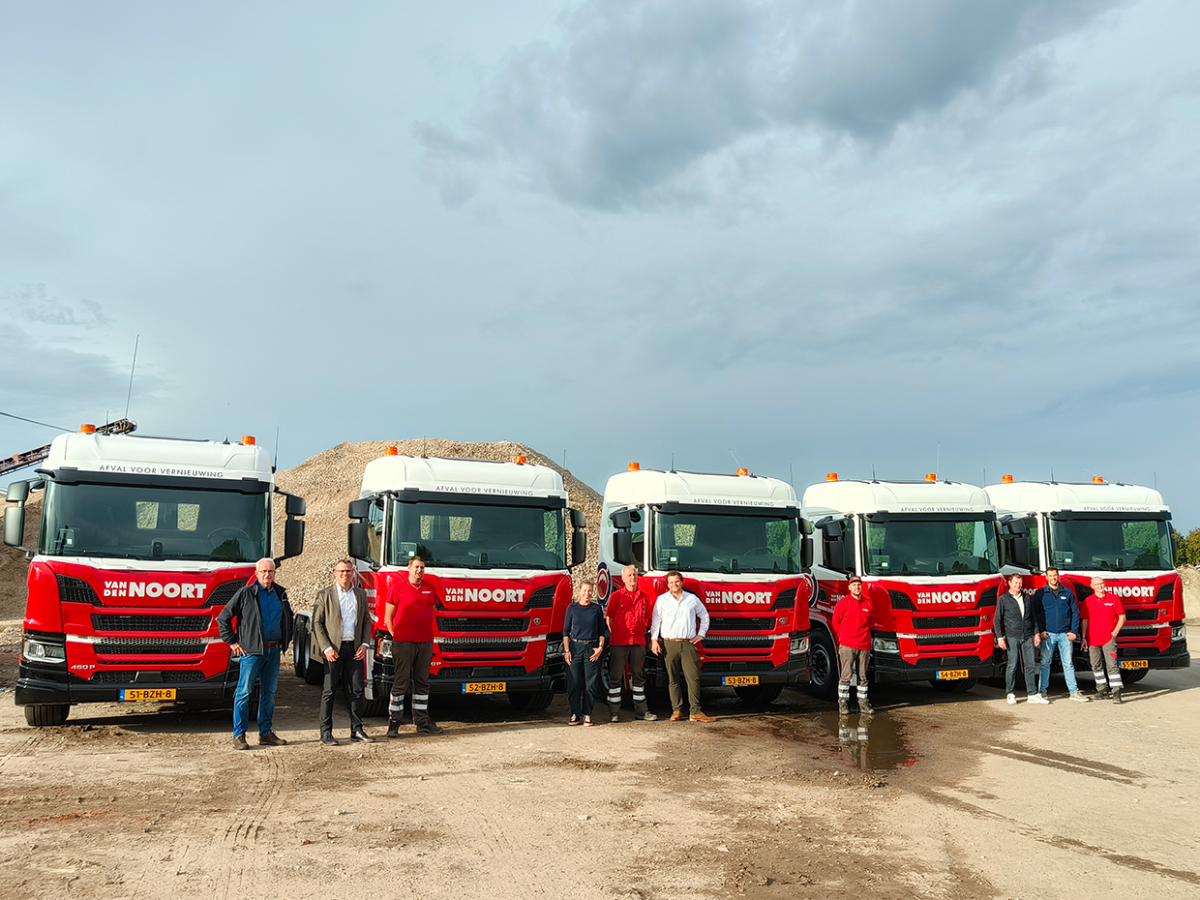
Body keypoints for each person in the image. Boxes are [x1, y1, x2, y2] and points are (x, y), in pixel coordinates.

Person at [217, 558, 295, 750]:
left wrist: (286, 639)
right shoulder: (246, 594)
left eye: (271, 571)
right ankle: (239, 735)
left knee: (269, 693)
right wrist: (232, 642)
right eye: (264, 571)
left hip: (273, 650)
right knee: (244, 693)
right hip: (251, 652)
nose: (267, 574)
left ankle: (265, 733)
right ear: (257, 573)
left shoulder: (280, 594)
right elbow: (223, 618)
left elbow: (288, 618)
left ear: (275, 573)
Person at [311, 559, 375, 745]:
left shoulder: (360, 594)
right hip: (334, 650)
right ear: (335, 573)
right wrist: (327, 648)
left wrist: (364, 644)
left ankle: (357, 730)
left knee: (356, 690)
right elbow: (317, 623)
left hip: (354, 649)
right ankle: (326, 733)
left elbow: (366, 621)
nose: (345, 574)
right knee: (329, 691)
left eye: (348, 571)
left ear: (353, 572)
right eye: (341, 571)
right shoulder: (325, 595)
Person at [384, 555, 444, 736]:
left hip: (425, 643)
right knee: (401, 682)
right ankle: (394, 723)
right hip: (404, 643)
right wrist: (397, 637)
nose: (419, 570)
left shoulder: (430, 589)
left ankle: (422, 721)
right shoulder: (398, 588)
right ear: (409, 568)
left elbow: (431, 613)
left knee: (422, 683)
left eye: (422, 567)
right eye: (417, 567)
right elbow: (388, 616)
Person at [650, 571, 715, 723]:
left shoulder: (691, 599)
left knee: (693, 678)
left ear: (681, 582)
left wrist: (701, 634)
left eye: (677, 581)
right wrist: (654, 640)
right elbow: (656, 621)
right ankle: (676, 710)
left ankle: (695, 711)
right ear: (667, 585)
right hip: (669, 643)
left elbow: (704, 616)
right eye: (671, 582)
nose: (674, 584)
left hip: (688, 643)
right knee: (673, 679)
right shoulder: (661, 600)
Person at [604, 565, 657, 722]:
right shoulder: (616, 596)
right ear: (623, 578)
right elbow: (609, 619)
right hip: (619, 643)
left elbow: (648, 619)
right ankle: (614, 712)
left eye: (634, 575)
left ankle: (642, 711)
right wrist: (617, 634)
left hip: (638, 642)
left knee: (638, 678)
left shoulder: (645, 598)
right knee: (615, 677)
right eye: (629, 575)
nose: (632, 578)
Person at [1033, 567, 1088, 703]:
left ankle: (1073, 691)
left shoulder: (1068, 593)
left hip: (1065, 634)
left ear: (1058, 576)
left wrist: (1074, 631)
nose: (1053, 578)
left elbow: (1075, 613)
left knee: (1068, 663)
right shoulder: (1041, 593)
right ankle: (1043, 691)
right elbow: (1034, 614)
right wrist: (1040, 631)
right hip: (1048, 635)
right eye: (1050, 575)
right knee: (1045, 663)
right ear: (1046, 577)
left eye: (1055, 575)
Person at [994, 573, 1049, 705]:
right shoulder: (1003, 599)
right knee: (1012, 665)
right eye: (1015, 583)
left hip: (1028, 635)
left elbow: (1033, 617)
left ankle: (1032, 693)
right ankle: (1010, 693)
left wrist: (1036, 633)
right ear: (1010, 583)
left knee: (1030, 664)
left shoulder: (1027, 598)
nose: (1018, 585)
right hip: (1012, 636)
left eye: (1020, 583)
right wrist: (1000, 637)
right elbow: (997, 619)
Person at [563, 579, 607, 725]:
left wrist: (600, 648)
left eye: (590, 591)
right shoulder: (572, 608)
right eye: (584, 591)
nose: (587, 594)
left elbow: (601, 630)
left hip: (591, 649)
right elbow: (565, 632)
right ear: (579, 591)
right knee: (574, 683)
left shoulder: (596, 609)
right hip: (575, 648)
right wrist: (567, 650)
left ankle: (587, 714)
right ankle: (575, 713)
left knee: (591, 684)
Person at [831, 575, 873, 715]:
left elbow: (871, 622)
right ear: (849, 587)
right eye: (854, 585)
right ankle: (843, 703)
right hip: (848, 644)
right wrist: (843, 637)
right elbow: (835, 622)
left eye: (859, 585)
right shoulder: (843, 603)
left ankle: (863, 704)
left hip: (864, 645)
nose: (857, 587)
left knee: (863, 676)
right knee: (846, 675)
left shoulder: (868, 603)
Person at [1083, 577, 1126, 703]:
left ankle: (1116, 691)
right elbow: (1084, 620)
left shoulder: (1113, 598)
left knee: (1112, 664)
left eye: (1101, 584)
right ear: (1092, 586)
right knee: (1095, 665)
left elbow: (1122, 617)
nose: (1100, 586)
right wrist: (1084, 637)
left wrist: (1115, 633)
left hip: (1108, 638)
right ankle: (1101, 689)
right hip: (1092, 639)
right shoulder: (1088, 601)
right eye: (1097, 584)